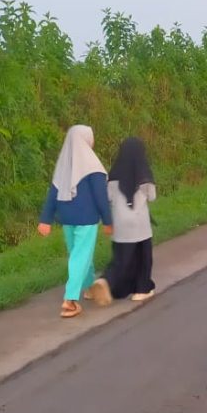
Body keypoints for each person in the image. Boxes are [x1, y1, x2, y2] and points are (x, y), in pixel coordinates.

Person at [38, 125, 112, 319]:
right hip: (86, 219)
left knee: (78, 254)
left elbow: (53, 194)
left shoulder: (64, 166)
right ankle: (70, 300)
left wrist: (45, 220)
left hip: (67, 218)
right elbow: (100, 196)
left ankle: (88, 288)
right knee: (80, 256)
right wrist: (108, 220)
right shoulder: (94, 167)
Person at [94, 137, 157, 302]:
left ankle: (106, 281)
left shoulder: (114, 175)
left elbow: (107, 197)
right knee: (143, 258)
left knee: (121, 259)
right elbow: (152, 196)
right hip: (140, 224)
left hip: (120, 223)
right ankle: (141, 289)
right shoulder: (144, 174)